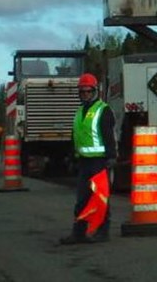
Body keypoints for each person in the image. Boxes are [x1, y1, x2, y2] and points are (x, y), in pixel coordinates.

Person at [60, 73, 116, 244]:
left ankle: (102, 231)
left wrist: (111, 156)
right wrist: (72, 156)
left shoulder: (103, 110)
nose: (85, 94)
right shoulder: (79, 112)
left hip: (99, 161)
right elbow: (75, 136)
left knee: (99, 198)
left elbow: (109, 135)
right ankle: (79, 233)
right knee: (82, 199)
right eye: (82, 91)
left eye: (87, 91)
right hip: (84, 161)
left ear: (94, 91)